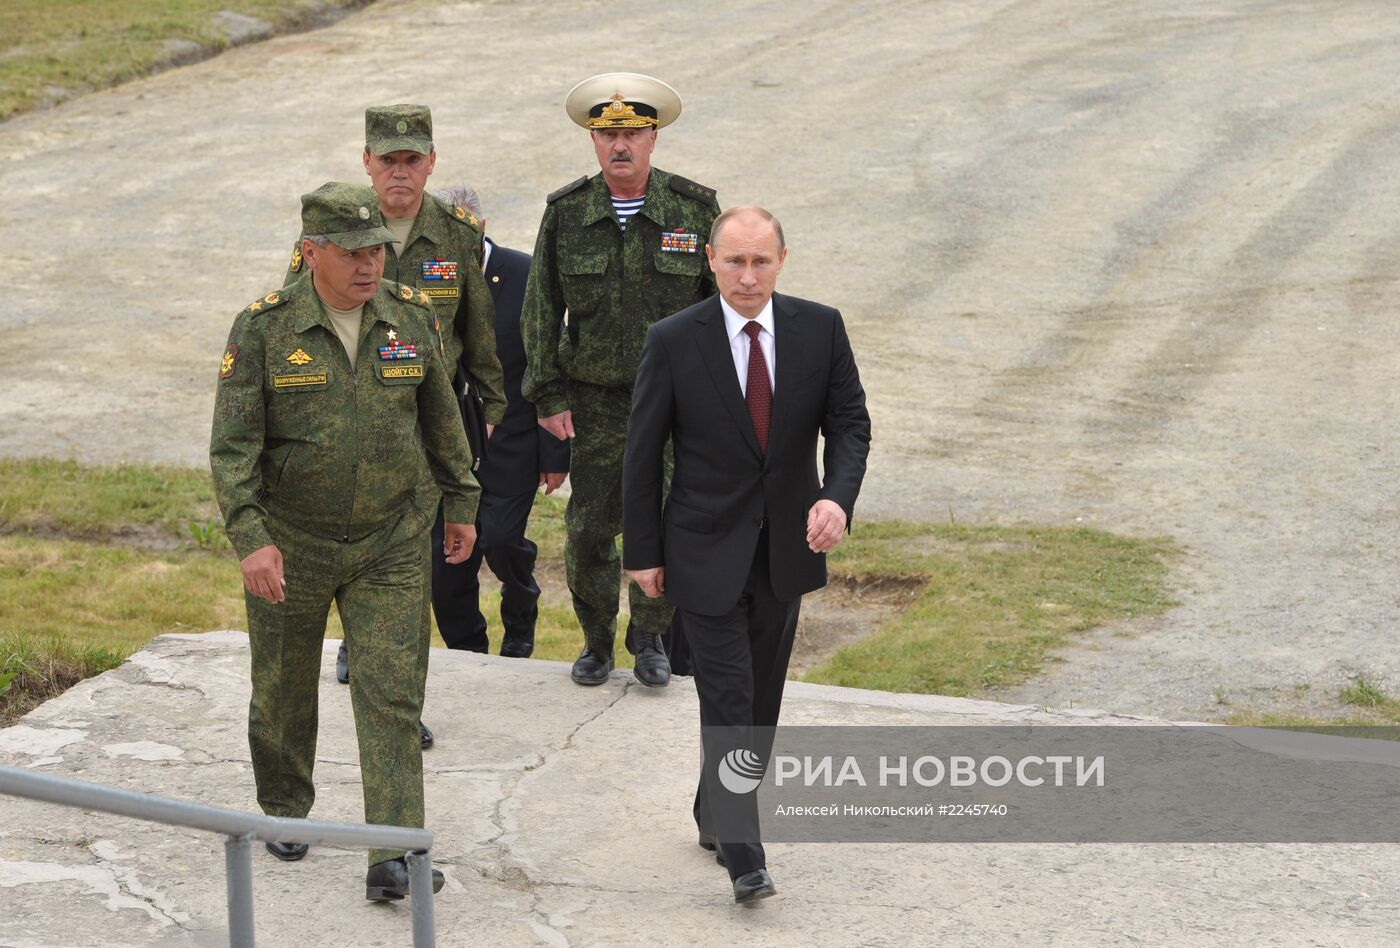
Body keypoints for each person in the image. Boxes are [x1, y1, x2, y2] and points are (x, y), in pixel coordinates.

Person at [211, 182, 479, 900]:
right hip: (291, 541)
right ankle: (285, 808)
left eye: (377, 251)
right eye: (354, 253)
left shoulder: (410, 318)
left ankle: (391, 854)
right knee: (283, 690)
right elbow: (233, 449)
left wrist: (460, 500)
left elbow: (442, 418)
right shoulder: (264, 329)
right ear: (312, 252)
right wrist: (251, 538)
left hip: (390, 540)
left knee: (392, 693)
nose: (369, 265)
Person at [622, 206, 871, 903]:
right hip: (701, 549)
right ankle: (743, 849)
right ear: (710, 260)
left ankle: (713, 808)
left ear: (782, 261)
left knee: (758, 700)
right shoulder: (675, 340)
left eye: (761, 261)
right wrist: (641, 551)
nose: (747, 275)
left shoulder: (819, 329)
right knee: (728, 695)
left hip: (785, 551)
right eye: (734, 260)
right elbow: (642, 452)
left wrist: (837, 499)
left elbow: (850, 424)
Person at [288, 106, 504, 750]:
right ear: (367, 161)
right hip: (353, 421)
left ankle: (398, 700)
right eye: (389, 160)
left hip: (431, 421)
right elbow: (296, 317)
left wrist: (492, 412)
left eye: (413, 160)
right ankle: (358, 642)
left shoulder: (457, 233)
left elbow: (481, 333)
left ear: (432, 162)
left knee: (413, 564)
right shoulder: (332, 228)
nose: (400, 173)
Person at [520, 72, 719, 688]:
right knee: (589, 529)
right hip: (596, 402)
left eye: (632, 132)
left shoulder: (693, 209)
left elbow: (717, 306)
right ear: (593, 142)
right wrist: (548, 395)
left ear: (654, 136)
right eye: (607, 135)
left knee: (665, 518)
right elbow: (540, 309)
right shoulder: (567, 214)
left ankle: (652, 637)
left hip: (676, 402)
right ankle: (596, 641)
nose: (619, 146)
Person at [430, 184, 570, 656]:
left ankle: (521, 616)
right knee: (447, 563)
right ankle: (469, 649)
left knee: (502, 541)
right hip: (445, 454)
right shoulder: (425, 279)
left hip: (512, 446)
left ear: (483, 228)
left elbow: (549, 365)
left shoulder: (525, 275)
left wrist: (555, 453)